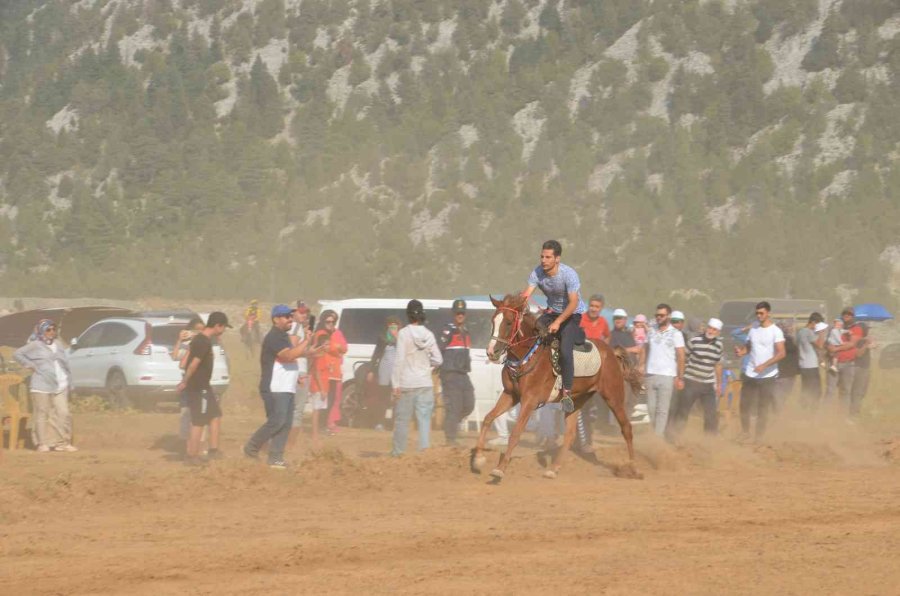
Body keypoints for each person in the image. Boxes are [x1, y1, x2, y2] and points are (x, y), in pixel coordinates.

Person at [515, 239, 586, 413]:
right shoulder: (537, 272)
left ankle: (567, 393)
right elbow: (526, 294)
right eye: (542, 256)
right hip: (552, 312)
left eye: (548, 257)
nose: (543, 260)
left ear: (557, 259)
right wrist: (518, 303)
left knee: (565, 351)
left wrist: (558, 322)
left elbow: (573, 303)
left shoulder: (569, 274)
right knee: (535, 330)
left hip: (572, 314)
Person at [244, 305, 316, 469]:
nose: (290, 319)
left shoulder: (283, 336)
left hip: (286, 386)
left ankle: (275, 457)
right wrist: (306, 341)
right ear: (276, 319)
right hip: (275, 387)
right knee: (277, 421)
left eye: (290, 316)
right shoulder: (274, 337)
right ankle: (252, 447)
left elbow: (289, 358)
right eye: (286, 317)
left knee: (286, 423)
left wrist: (308, 353)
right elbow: (288, 356)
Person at [14, 319, 77, 452]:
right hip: (42, 384)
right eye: (48, 329)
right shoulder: (35, 345)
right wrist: (30, 365)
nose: (51, 332)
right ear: (42, 331)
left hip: (61, 383)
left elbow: (65, 363)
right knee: (42, 414)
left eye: (54, 329)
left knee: (63, 413)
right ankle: (42, 443)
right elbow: (17, 354)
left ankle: (62, 442)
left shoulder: (58, 344)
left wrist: (69, 381)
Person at [177, 312, 230, 465]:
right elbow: (193, 364)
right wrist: (185, 381)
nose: (224, 331)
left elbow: (185, 362)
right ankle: (192, 456)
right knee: (198, 421)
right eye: (224, 327)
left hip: (204, 386)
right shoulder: (203, 342)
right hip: (198, 386)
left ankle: (213, 451)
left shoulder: (201, 340)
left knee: (215, 415)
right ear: (217, 325)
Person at [390, 299, 442, 456]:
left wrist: (395, 384)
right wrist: (427, 365)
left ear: (408, 315)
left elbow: (399, 360)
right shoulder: (429, 335)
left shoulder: (403, 334)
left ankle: (398, 453)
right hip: (425, 383)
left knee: (402, 420)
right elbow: (438, 360)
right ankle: (424, 451)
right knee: (424, 420)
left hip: (407, 383)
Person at [735, 302, 785, 441]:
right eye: (757, 313)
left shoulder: (776, 331)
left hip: (767, 375)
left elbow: (781, 353)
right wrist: (741, 352)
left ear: (768, 313)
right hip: (750, 372)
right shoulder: (754, 328)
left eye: (761, 313)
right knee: (744, 404)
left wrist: (764, 365)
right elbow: (749, 347)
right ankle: (745, 432)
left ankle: (759, 436)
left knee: (762, 407)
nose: (758, 315)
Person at [668, 318, 724, 439]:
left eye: (714, 330)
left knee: (711, 414)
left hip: (708, 384)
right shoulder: (694, 341)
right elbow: (683, 359)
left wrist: (719, 384)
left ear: (718, 332)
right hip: (690, 382)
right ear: (706, 328)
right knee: (683, 411)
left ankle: (709, 440)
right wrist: (680, 377)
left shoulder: (719, 346)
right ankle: (675, 436)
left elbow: (718, 365)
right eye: (709, 328)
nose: (711, 331)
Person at [642, 304, 685, 436]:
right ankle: (656, 433)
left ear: (668, 316)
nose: (659, 317)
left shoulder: (676, 334)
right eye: (657, 315)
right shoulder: (651, 331)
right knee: (651, 409)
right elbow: (645, 349)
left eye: (662, 315)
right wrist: (641, 365)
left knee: (662, 410)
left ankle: (657, 439)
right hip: (650, 374)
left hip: (667, 376)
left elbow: (681, 356)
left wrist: (680, 377)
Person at [438, 299, 474, 445]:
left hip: (463, 374)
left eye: (462, 313)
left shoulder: (466, 331)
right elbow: (439, 349)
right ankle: (450, 439)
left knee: (469, 404)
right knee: (454, 406)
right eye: (458, 313)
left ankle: (451, 424)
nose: (460, 315)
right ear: (453, 314)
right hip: (450, 373)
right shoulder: (448, 330)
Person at [309, 310, 348, 436]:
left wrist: (337, 347)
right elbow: (328, 347)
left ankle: (323, 426)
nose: (331, 324)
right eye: (328, 321)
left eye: (333, 322)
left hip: (333, 372)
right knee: (323, 402)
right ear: (323, 321)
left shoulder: (334, 333)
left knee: (330, 401)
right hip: (323, 371)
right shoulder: (320, 334)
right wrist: (337, 348)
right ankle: (319, 428)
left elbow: (344, 348)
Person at [171, 315, 205, 449]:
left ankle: (198, 447)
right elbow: (176, 357)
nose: (199, 333)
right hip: (188, 384)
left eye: (202, 330)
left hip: (200, 384)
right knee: (186, 415)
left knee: (200, 416)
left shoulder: (206, 344)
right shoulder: (187, 345)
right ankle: (188, 449)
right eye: (196, 330)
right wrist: (180, 340)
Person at [365, 316, 402, 429]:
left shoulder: (402, 338)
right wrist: (371, 370)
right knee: (383, 396)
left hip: (398, 371)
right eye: (391, 326)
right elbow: (376, 354)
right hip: (384, 370)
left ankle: (393, 423)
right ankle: (380, 422)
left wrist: (397, 337)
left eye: (395, 326)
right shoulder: (382, 338)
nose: (393, 328)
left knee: (397, 397)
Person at [287, 301, 314, 449]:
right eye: (301, 312)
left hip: (294, 370)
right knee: (297, 410)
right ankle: (290, 445)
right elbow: (292, 349)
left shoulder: (294, 327)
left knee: (290, 409)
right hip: (299, 370)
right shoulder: (296, 327)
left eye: (306, 312)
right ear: (293, 313)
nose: (305, 315)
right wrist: (309, 351)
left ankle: (285, 443)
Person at [824, 308, 863, 411]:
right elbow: (827, 341)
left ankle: (842, 415)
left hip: (848, 363)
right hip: (833, 362)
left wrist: (835, 349)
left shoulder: (856, 328)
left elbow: (852, 344)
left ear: (853, 316)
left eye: (850, 314)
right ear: (842, 315)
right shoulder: (834, 326)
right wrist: (828, 347)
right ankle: (825, 414)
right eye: (845, 313)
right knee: (830, 390)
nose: (847, 315)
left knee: (845, 391)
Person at [796, 313, 827, 411]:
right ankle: (812, 412)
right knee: (816, 392)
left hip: (804, 365)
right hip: (811, 366)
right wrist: (822, 332)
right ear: (813, 322)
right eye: (818, 325)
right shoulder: (808, 332)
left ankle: (803, 410)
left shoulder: (800, 332)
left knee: (806, 389)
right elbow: (820, 345)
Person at [849, 322, 874, 420]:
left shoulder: (864, 340)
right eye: (867, 329)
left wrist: (870, 343)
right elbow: (858, 354)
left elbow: (874, 346)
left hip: (865, 368)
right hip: (859, 368)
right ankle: (853, 414)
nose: (868, 331)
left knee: (862, 392)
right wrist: (866, 344)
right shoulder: (858, 341)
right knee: (857, 392)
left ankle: (855, 411)